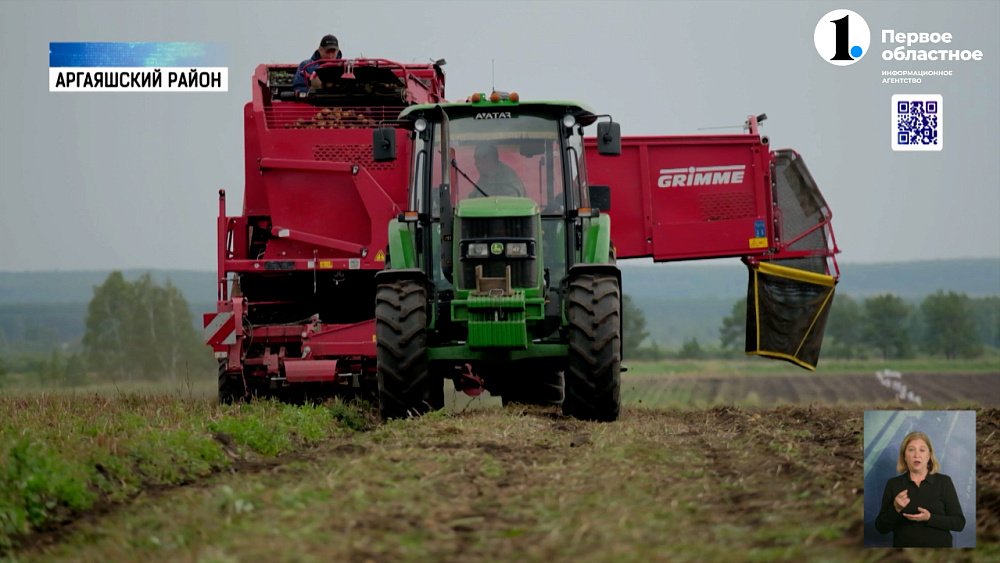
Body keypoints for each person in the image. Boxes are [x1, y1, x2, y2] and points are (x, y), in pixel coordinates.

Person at [874, 431, 965, 547]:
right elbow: (881, 528)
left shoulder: (944, 482)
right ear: (904, 456)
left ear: (929, 456)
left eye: (922, 450)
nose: (916, 455)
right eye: (911, 450)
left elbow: (959, 523)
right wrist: (895, 508)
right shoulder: (893, 484)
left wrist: (929, 518)